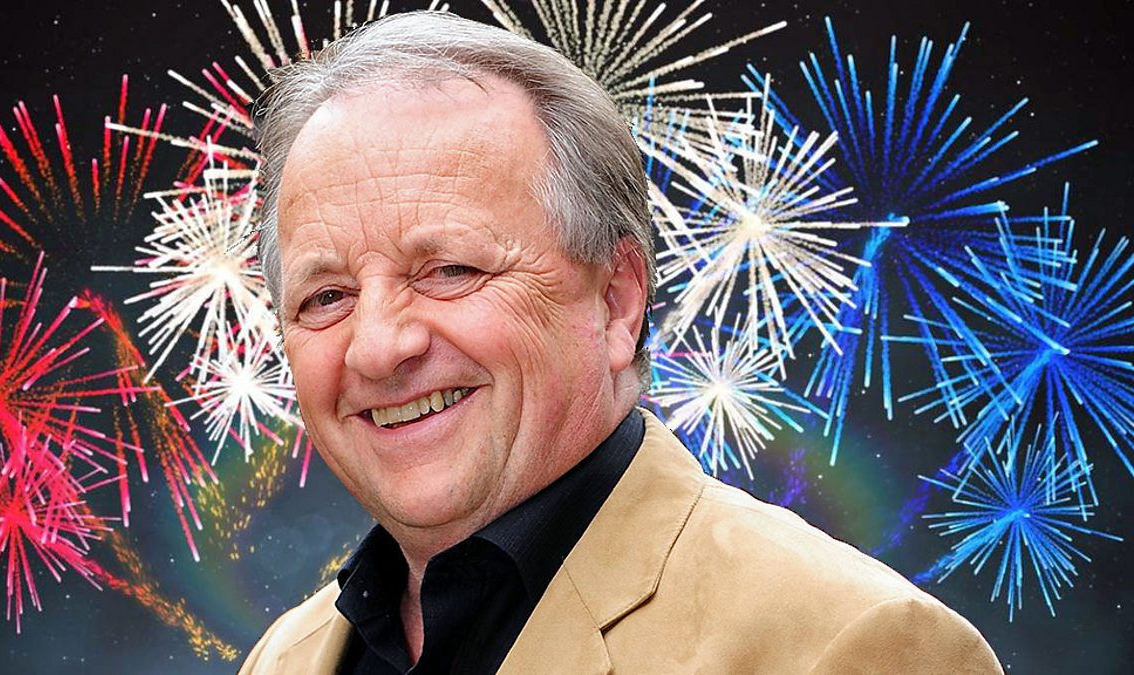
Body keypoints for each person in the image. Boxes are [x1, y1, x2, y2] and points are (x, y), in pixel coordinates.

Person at [240, 11, 1003, 674]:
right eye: (326, 296)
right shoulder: (284, 658)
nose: (378, 348)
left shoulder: (849, 645)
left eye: (450, 270)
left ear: (616, 301)